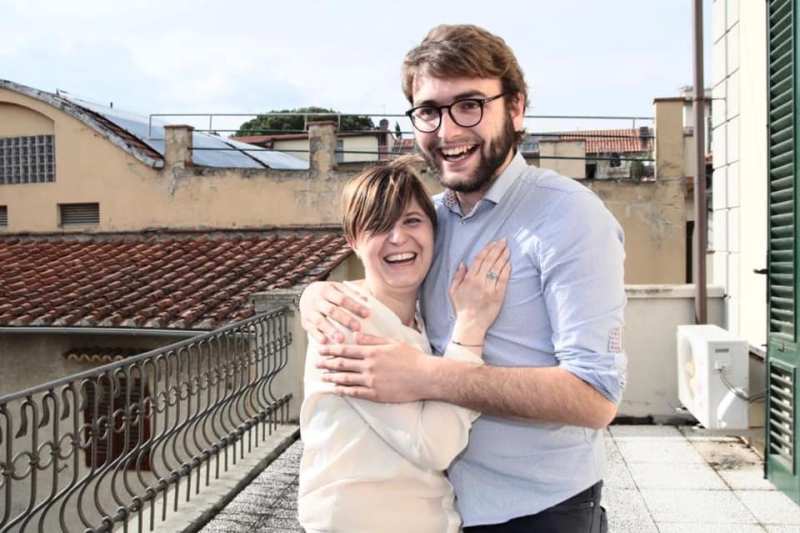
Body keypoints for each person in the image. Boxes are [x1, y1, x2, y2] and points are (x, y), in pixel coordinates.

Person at [300, 24, 625, 532]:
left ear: (515, 108)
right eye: (429, 111)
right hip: (441, 511)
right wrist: (315, 295)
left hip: (539, 513)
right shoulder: (425, 221)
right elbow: (385, 288)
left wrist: (426, 375)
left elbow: (595, 396)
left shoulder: (570, 217)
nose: (448, 131)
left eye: (469, 105)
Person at [297, 156, 512, 533]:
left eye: (412, 221)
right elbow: (435, 446)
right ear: (353, 242)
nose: (398, 238)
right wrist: (471, 327)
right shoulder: (346, 321)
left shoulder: (422, 318)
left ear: (433, 231)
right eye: (378, 226)